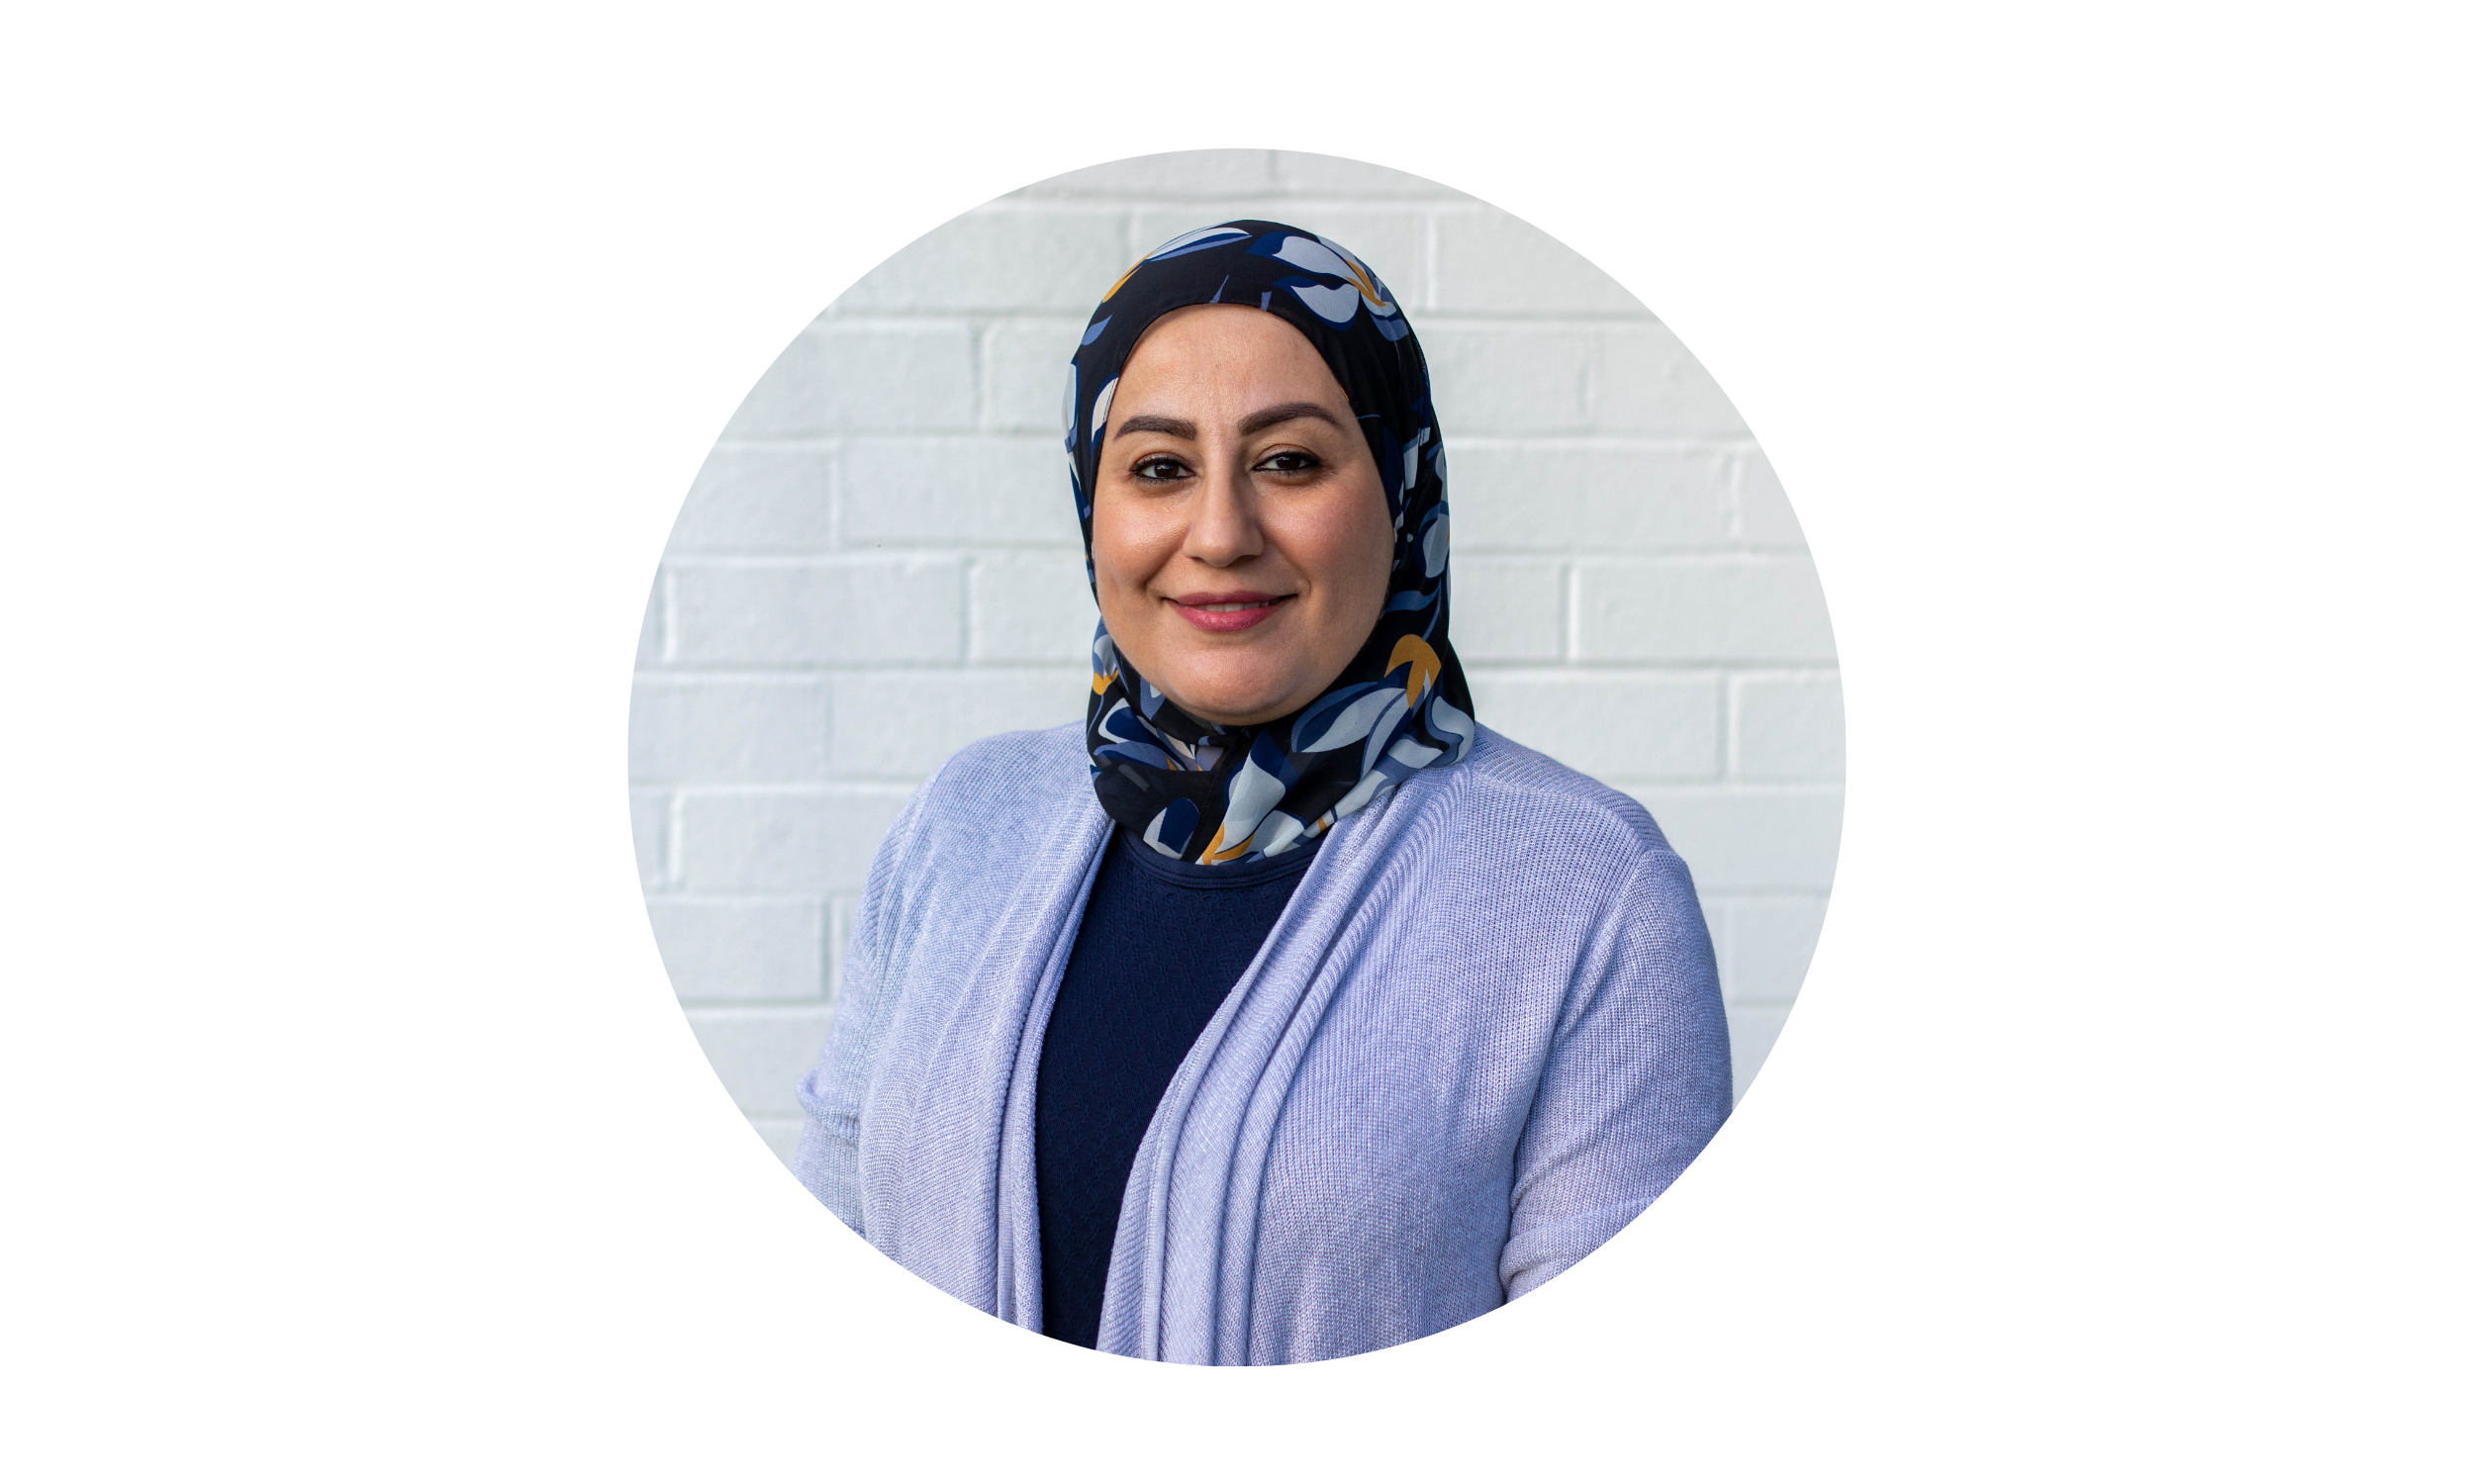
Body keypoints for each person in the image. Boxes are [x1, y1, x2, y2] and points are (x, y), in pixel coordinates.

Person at [794, 221, 1732, 1369]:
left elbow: (1604, 1359)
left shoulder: (1587, 892)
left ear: (1398, 488)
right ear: (1091, 502)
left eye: (1288, 462)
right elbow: (842, 1197)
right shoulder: (963, 821)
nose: (1221, 533)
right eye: (1158, 468)